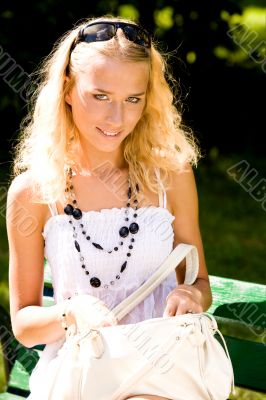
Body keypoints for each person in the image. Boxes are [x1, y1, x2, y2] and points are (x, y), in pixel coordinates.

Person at [6, 15, 212, 400]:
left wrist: (192, 296)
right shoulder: (32, 193)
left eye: (132, 99)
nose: (117, 119)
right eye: (100, 96)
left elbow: (199, 282)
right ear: (67, 89)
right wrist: (69, 315)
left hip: (163, 371)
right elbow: (23, 324)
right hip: (81, 374)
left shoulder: (171, 176)